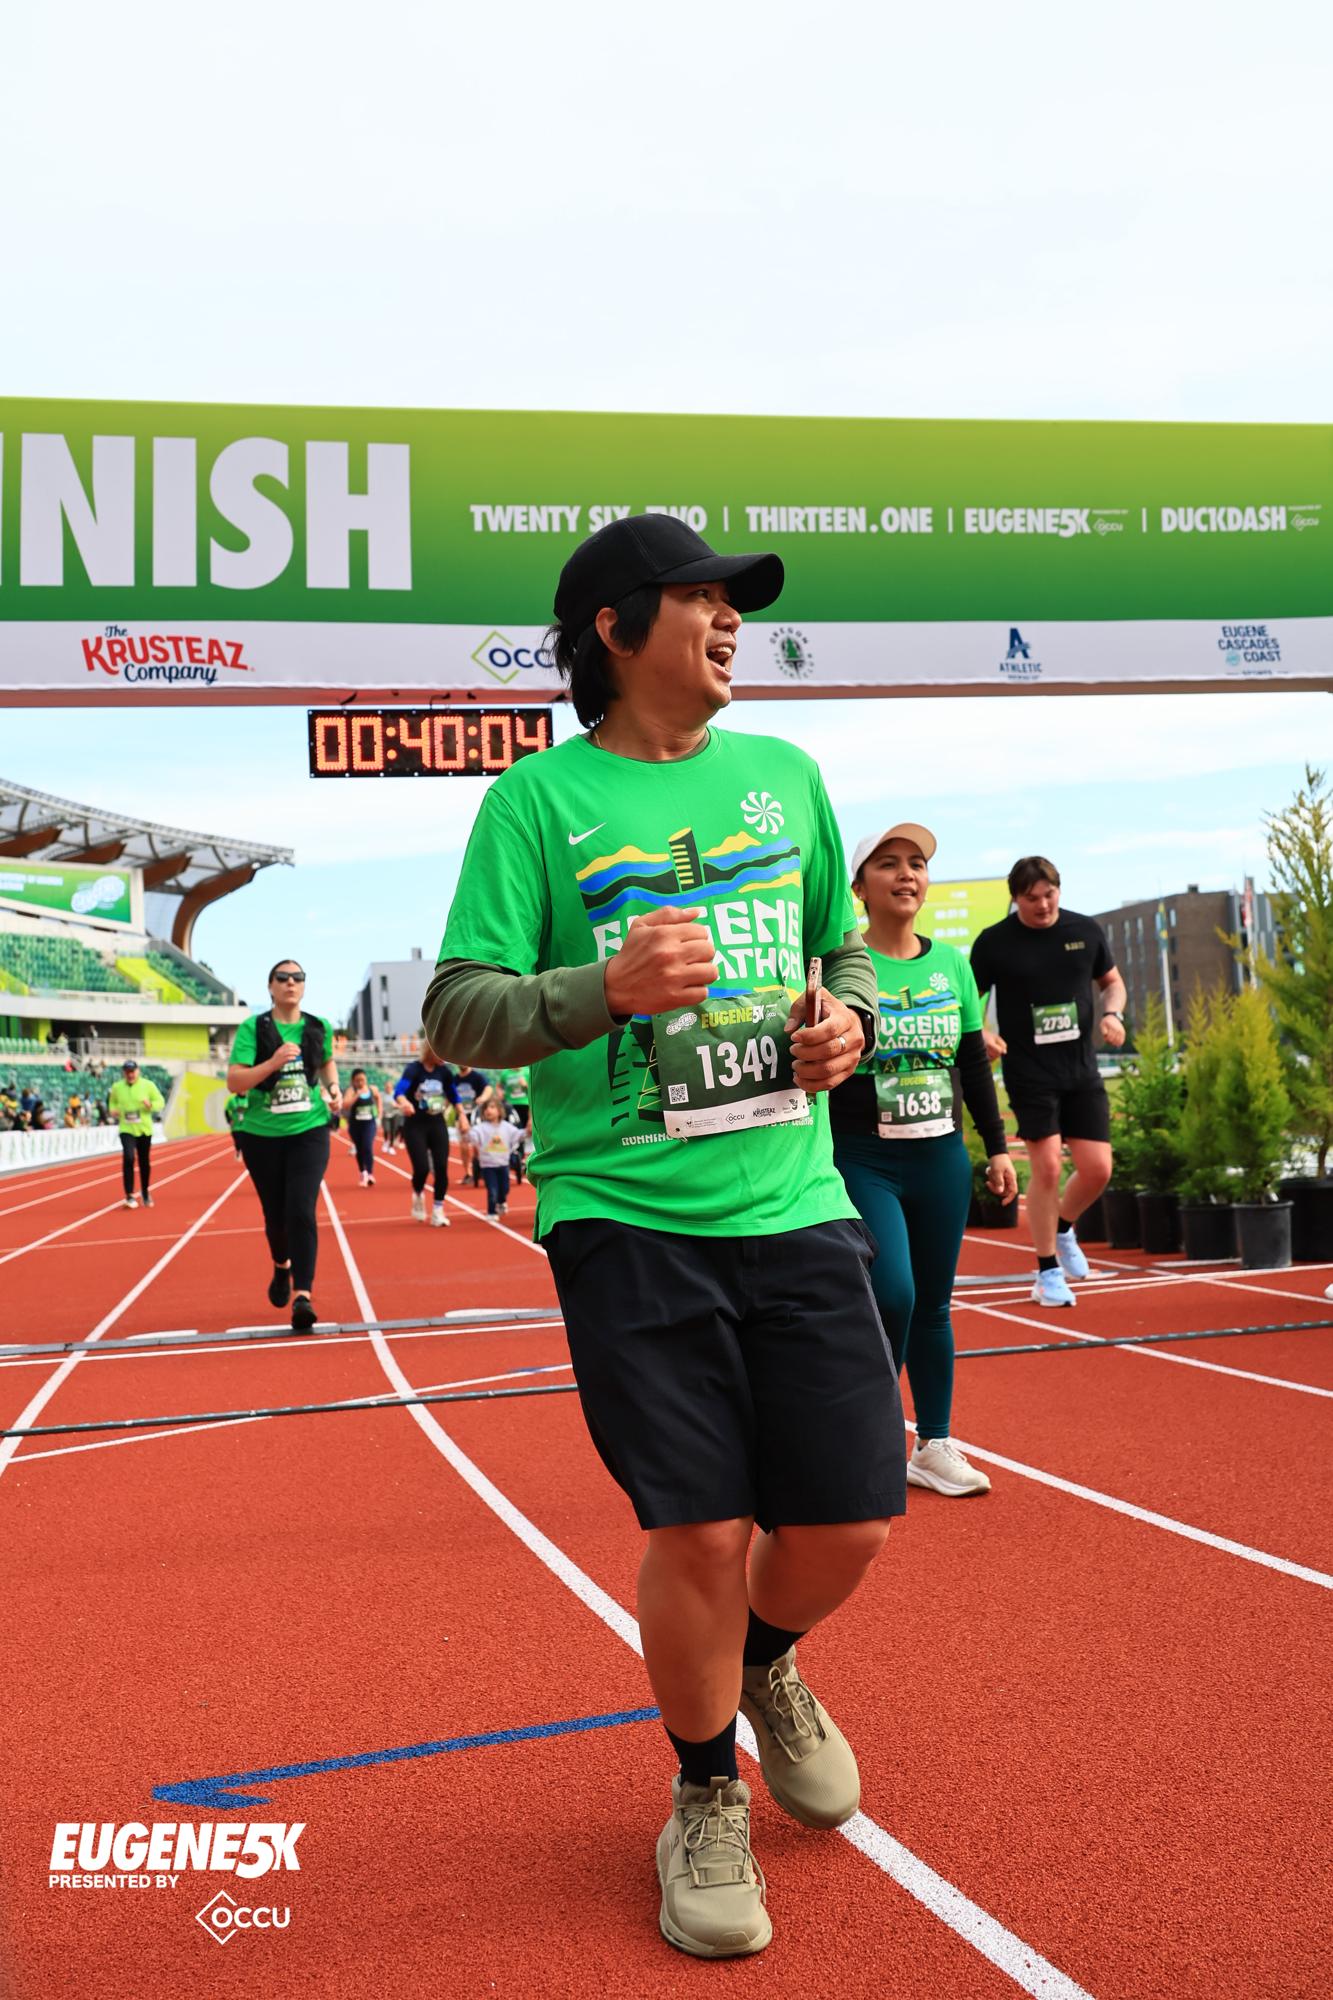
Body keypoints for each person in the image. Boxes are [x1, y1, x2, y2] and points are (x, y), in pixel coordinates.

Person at [424, 513, 901, 1960]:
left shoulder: (787, 775)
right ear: (615, 630)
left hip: (795, 1199)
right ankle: (702, 1793)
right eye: (699, 597)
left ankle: (761, 1663)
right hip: (625, 1213)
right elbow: (457, 1010)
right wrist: (603, 990)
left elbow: (842, 946)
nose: (729, 618)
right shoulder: (535, 802)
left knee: (849, 1519)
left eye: (733, 600)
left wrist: (847, 1020)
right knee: (697, 1524)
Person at [831, 824, 1018, 1497]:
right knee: (894, 1294)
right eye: (888, 864)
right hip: (862, 1157)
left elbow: (973, 1064)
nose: (907, 874)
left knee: (934, 1305)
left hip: (940, 1156)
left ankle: (932, 1443)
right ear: (859, 888)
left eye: (916, 863)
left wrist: (996, 1148)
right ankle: (866, 1435)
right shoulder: (841, 968)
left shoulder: (952, 966)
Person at [971, 856, 1127, 1308]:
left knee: (1098, 1169)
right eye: (1031, 898)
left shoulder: (1085, 931)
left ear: (1059, 890)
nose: (1042, 905)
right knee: (1048, 1168)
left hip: (1080, 1069)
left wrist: (1113, 1014)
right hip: (1029, 1072)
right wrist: (981, 1033)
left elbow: (1112, 983)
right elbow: (965, 1000)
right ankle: (1046, 1273)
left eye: (1049, 895)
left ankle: (1061, 1229)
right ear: (1015, 898)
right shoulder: (994, 942)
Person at [226, 960, 339, 1333]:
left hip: (310, 1129)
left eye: (298, 978)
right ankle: (281, 1266)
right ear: (270, 987)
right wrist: (273, 1062)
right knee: (275, 1217)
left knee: (301, 1209)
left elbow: (327, 1062)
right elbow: (235, 1081)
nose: (291, 983)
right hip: (262, 1136)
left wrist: (333, 1088)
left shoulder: (318, 1026)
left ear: (304, 986)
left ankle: (302, 1295)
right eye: (283, 978)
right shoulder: (253, 1028)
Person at [393, 1048, 459, 1225]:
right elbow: (399, 1091)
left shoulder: (444, 1072)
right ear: (431, 1050)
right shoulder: (414, 1069)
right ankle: (418, 1194)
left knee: (441, 1167)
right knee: (421, 1168)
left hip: (437, 1123)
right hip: (415, 1124)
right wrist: (405, 1103)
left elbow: (454, 1095)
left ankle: (438, 1210)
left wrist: (463, 1117)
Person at [108, 1059, 165, 1208]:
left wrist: (151, 1105)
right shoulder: (117, 1087)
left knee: (144, 1161)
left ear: (138, 1071)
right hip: (126, 1129)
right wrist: (113, 1110)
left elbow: (160, 1102)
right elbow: (112, 1102)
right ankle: (129, 1195)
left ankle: (145, 1191)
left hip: (144, 1129)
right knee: (129, 1157)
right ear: (124, 1073)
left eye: (132, 1071)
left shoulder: (148, 1085)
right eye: (127, 1072)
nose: (130, 1074)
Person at [474, 1098, 522, 1216]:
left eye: (492, 1107)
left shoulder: (506, 1127)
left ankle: (501, 1202)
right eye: (486, 1108)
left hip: (503, 1164)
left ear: (499, 1111)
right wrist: (465, 1132)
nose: (488, 1110)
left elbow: (518, 1134)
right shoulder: (481, 1128)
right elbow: (472, 1136)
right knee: (492, 1190)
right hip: (488, 1165)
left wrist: (527, 1131)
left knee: (505, 1188)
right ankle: (491, 1212)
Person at [341, 1068, 383, 1186]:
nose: (360, 1082)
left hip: (369, 1123)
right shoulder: (351, 1090)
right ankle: (362, 1172)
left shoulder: (372, 1089)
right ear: (353, 1081)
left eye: (362, 1080)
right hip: (355, 1125)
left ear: (366, 1079)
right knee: (359, 1149)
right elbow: (345, 1105)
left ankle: (370, 1173)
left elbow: (378, 1098)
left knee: (367, 1146)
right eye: (357, 1080)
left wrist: (379, 1114)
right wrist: (356, 1095)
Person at [452, 1063, 492, 1184]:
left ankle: (481, 1170)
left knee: (478, 1145)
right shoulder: (455, 1079)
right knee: (464, 1145)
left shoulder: (477, 1076)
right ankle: (468, 1173)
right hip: (461, 1116)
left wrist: (483, 1098)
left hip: (476, 1115)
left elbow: (488, 1089)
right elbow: (449, 1095)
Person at [223, 1089, 247, 1157]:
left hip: (247, 1126)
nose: (243, 1091)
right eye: (241, 1089)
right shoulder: (232, 1100)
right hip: (235, 1126)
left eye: (244, 1089)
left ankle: (245, 1153)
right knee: (238, 1141)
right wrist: (229, 1120)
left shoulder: (250, 1099)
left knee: (246, 1141)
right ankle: (238, 1150)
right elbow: (226, 1110)